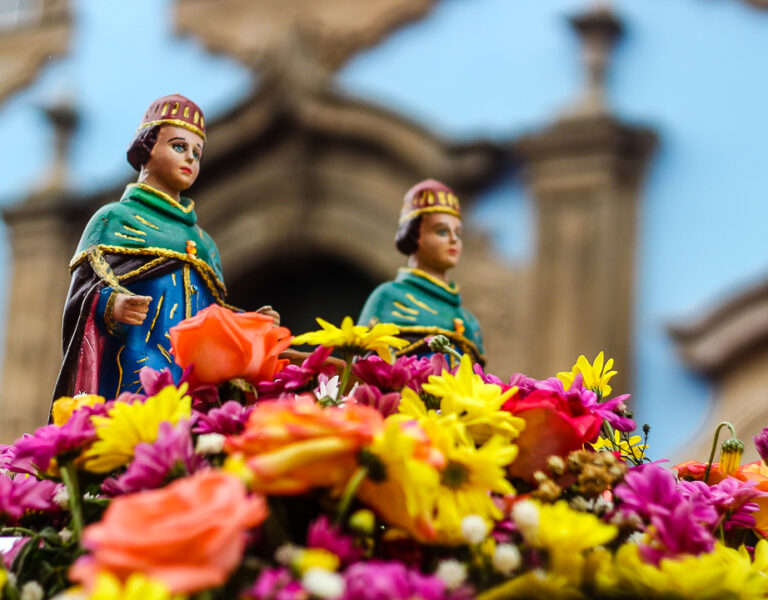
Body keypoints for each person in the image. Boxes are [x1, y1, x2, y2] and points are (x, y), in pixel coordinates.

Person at [54, 94, 276, 401]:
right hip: (135, 374)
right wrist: (112, 306)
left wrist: (250, 322)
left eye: (196, 154)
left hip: (193, 382)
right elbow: (81, 298)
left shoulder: (203, 242)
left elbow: (211, 316)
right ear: (148, 148)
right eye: (179, 147)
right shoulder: (114, 219)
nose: (189, 159)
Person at [358, 179, 484, 364]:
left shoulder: (468, 321)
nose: (453, 240)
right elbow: (365, 369)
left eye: (458, 233)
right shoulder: (389, 298)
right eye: (441, 231)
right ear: (414, 236)